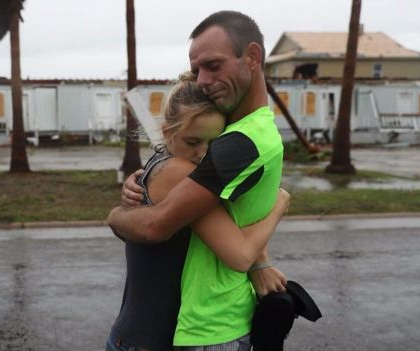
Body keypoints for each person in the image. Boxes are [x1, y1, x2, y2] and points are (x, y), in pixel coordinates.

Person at [108, 11, 288, 350]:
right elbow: (234, 245)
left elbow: (223, 222)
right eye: (197, 70)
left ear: (252, 57)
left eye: (214, 65)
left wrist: (260, 261)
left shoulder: (230, 145)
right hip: (151, 337)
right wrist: (280, 205)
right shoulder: (180, 168)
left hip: (151, 333)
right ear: (169, 133)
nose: (204, 154)